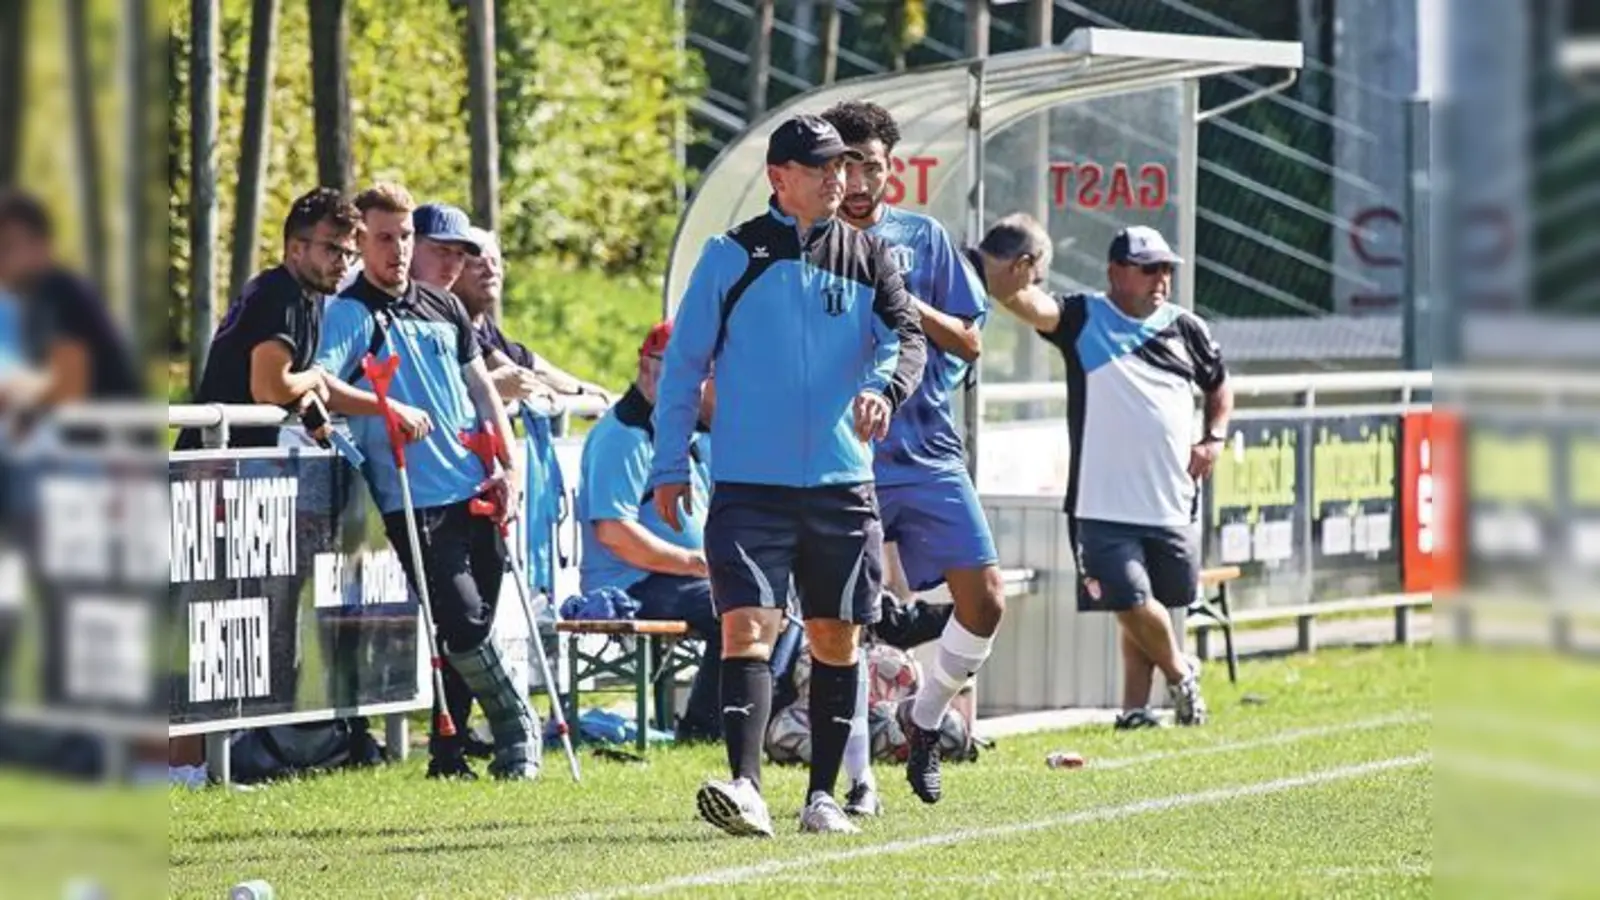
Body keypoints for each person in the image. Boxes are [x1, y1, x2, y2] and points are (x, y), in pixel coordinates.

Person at [650, 113, 926, 837]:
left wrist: (884, 389)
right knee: (746, 627)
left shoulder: (871, 256)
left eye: (843, 166)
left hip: (842, 486)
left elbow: (905, 340)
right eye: (821, 167)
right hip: (749, 486)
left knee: (837, 638)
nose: (839, 178)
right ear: (779, 177)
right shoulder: (729, 256)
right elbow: (683, 368)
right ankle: (746, 787)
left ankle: (821, 797)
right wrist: (669, 462)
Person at [314, 181, 541, 781]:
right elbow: (321, 382)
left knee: (470, 629)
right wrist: (384, 409)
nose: (398, 250)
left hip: (478, 486)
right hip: (413, 496)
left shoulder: (444, 306)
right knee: (463, 624)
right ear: (362, 242)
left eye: (406, 236)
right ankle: (518, 726)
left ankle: (449, 753)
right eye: (384, 238)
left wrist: (510, 467)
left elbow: (483, 390)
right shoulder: (352, 312)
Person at [821, 100, 1003, 811]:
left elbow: (970, 340)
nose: (860, 180)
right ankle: (858, 782)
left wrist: (897, 296)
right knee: (847, 620)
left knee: (985, 601)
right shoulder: (806, 242)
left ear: (889, 169)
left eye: (872, 165)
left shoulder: (922, 238)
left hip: (926, 449)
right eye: (846, 165)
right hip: (842, 454)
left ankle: (923, 720)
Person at [978, 215, 1231, 728]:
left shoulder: (1187, 327)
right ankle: (1182, 673)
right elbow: (1027, 304)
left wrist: (1214, 437)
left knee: (1144, 605)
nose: (1161, 279)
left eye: (1166, 269)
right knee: (1130, 600)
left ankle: (1135, 710)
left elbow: (1219, 385)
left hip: (1172, 500)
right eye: (1148, 269)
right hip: (1101, 502)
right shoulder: (1082, 317)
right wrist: (1002, 266)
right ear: (1116, 272)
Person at [576, 321, 723, 741]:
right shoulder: (623, 435)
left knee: (776, 598)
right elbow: (614, 532)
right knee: (737, 606)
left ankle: (766, 715)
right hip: (631, 584)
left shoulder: (687, 430)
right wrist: (693, 562)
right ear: (646, 367)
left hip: (679, 578)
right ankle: (703, 729)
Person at [174, 187, 360, 451]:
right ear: (295, 249)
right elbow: (269, 389)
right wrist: (315, 378)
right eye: (332, 249)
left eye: (350, 254)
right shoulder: (278, 295)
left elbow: (281, 385)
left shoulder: (309, 296)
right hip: (213, 459)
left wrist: (305, 394)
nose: (344, 264)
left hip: (245, 461)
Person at [0, 190, 142, 411]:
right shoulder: (29, 304)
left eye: (7, 247)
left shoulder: (61, 294)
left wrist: (11, 393)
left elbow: (68, 388)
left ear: (41, 245)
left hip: (109, 428)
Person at [453, 226, 612, 408]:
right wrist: (540, 392)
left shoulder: (482, 323)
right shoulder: (451, 323)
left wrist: (580, 389)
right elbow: (511, 372)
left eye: (495, 263)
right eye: (480, 265)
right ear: (454, 270)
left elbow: (528, 363)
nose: (491, 271)